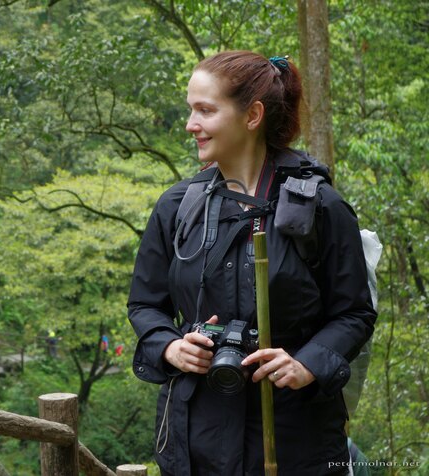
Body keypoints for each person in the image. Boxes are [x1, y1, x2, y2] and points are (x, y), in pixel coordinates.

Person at [127, 51, 376, 476]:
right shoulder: (178, 207)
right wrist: (170, 346)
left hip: (297, 442)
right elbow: (145, 305)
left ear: (252, 114)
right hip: (194, 444)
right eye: (191, 109)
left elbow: (354, 312)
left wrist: (307, 364)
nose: (191, 124)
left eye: (205, 110)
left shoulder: (319, 208)